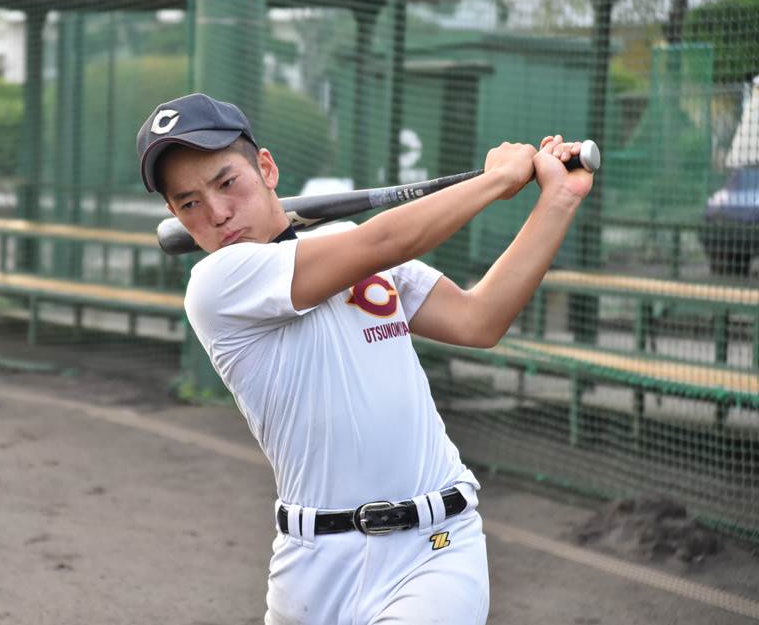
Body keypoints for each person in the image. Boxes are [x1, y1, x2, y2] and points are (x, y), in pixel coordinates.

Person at [136, 92, 593, 625]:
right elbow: (384, 242)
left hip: (436, 545)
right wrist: (492, 181)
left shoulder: (350, 246)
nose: (216, 213)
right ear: (174, 215)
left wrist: (557, 201)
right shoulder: (217, 283)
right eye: (189, 203)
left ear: (266, 167)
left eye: (226, 183)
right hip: (311, 565)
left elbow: (478, 320)